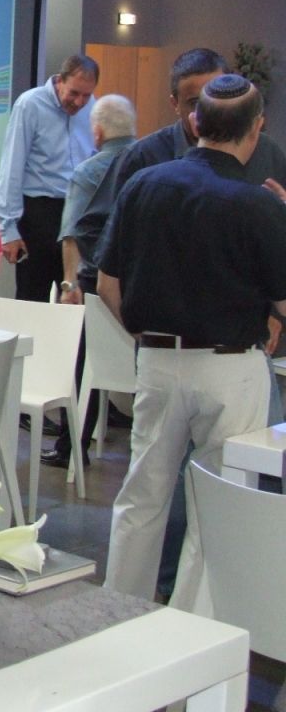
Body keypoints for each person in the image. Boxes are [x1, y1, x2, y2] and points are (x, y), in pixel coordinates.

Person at [98, 74, 286, 611]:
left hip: (158, 359)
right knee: (214, 504)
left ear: (195, 120)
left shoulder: (143, 184)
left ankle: (119, 613)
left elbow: (107, 283)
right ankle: (188, 627)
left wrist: (145, 333)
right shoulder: (258, 205)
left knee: (142, 496)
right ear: (256, 128)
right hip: (231, 366)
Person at [42, 95, 137, 469]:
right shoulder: (153, 162)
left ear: (96, 132)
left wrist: (69, 285)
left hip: (98, 285)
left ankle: (72, 447)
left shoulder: (88, 171)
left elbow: (73, 233)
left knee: (81, 362)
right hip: (143, 290)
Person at [0, 55, 99, 302]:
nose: (79, 102)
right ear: (60, 81)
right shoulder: (30, 104)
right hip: (38, 213)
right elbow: (12, 166)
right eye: (74, 93)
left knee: (74, 297)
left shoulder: (93, 106)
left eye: (86, 95)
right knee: (33, 299)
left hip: (77, 211)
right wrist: (8, 230)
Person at [112, 47, 286, 193]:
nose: (208, 111)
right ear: (175, 104)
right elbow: (103, 221)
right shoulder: (141, 157)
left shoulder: (267, 152)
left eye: (218, 100)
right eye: (196, 103)